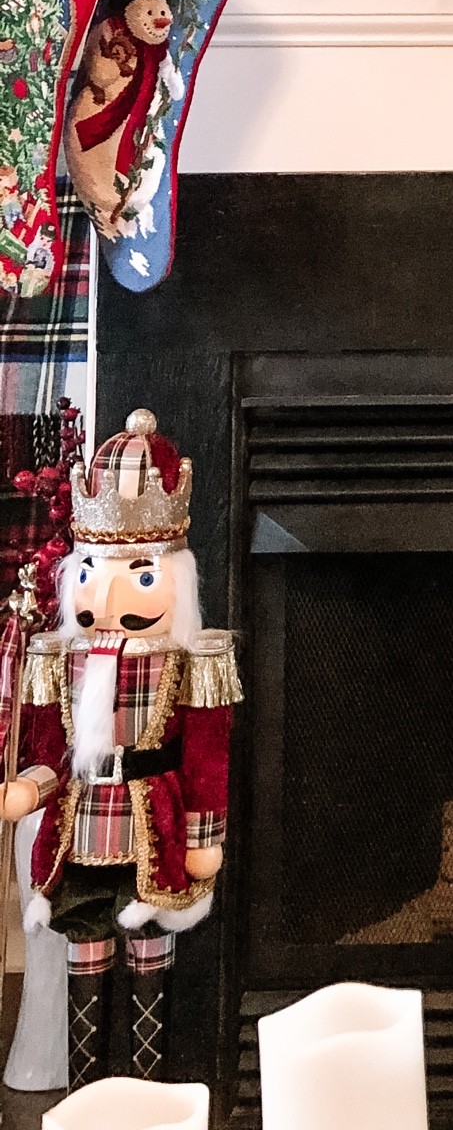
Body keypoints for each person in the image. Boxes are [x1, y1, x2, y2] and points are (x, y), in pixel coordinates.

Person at [2, 410, 238, 1089]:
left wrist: (204, 835)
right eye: (88, 574)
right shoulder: (60, 658)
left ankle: (145, 1085)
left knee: (148, 944)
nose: (100, 594)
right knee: (85, 938)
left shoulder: (194, 662)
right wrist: (31, 788)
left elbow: (207, 761)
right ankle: (88, 1090)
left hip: (153, 824)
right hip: (79, 825)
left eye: (136, 574)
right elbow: (49, 746)